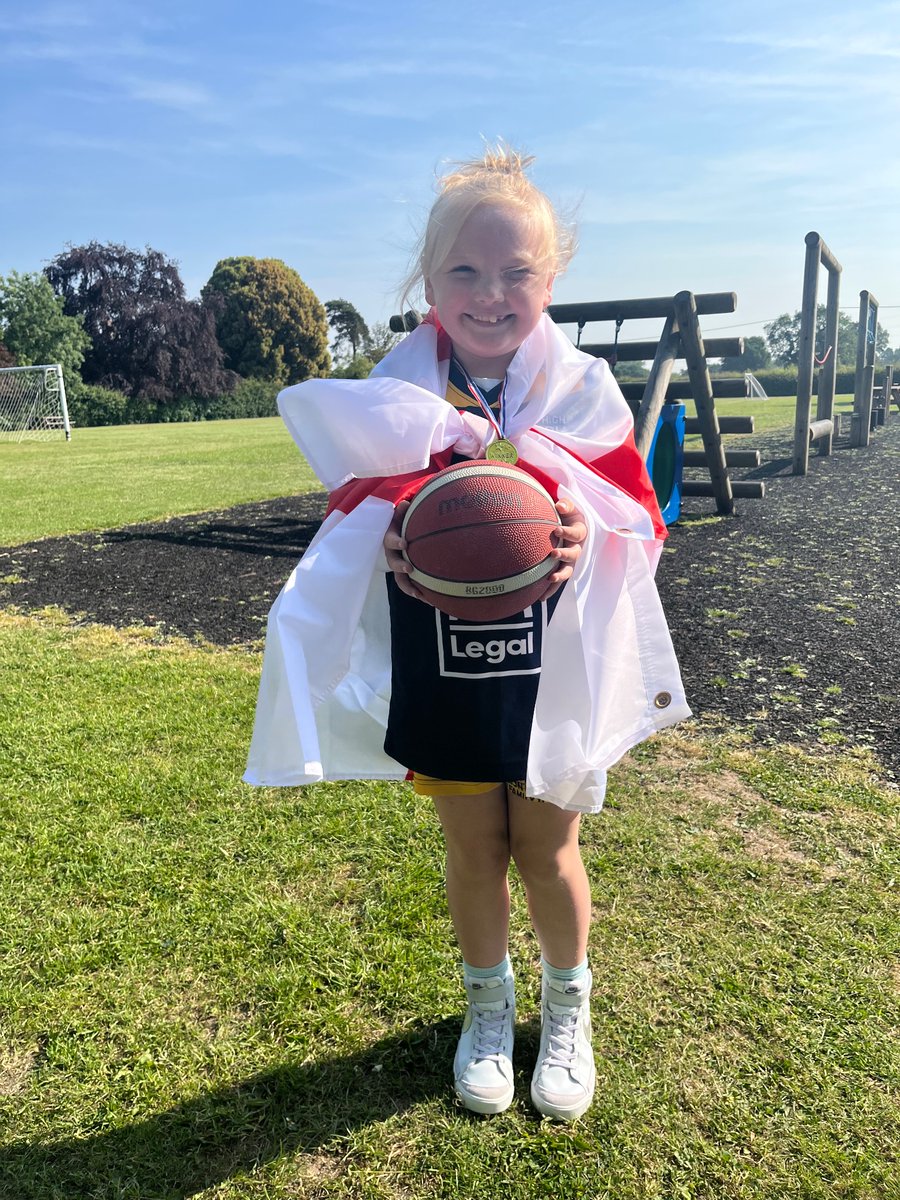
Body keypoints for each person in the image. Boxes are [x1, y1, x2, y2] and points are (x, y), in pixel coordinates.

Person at [244, 145, 689, 1122]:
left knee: (548, 847)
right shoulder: (397, 383)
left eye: (516, 273)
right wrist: (396, 531)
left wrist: (581, 525)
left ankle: (567, 1010)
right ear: (428, 282)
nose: (491, 294)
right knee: (472, 848)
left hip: (551, 666)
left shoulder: (581, 387)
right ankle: (487, 1009)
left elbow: (637, 512)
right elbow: (355, 504)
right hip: (444, 666)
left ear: (553, 278)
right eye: (465, 273)